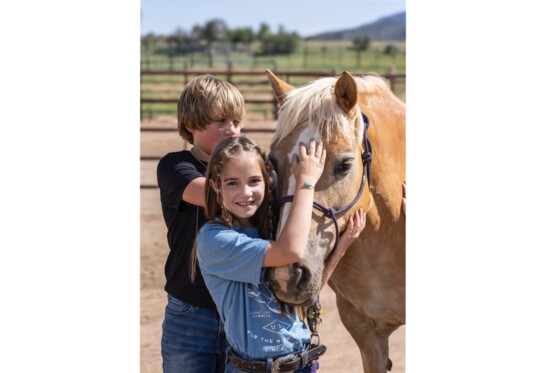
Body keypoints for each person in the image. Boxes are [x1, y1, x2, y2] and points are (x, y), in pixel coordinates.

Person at [194, 135, 366, 373]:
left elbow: (305, 295)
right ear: (216, 186)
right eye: (232, 183)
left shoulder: (276, 230)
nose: (245, 192)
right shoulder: (215, 240)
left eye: (254, 181)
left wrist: (342, 246)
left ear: (267, 181)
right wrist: (306, 182)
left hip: (301, 364)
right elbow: (291, 250)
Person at [156, 74, 245, 373]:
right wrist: (258, 182)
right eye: (220, 120)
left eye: (236, 120)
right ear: (191, 124)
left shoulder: (254, 175)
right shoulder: (175, 166)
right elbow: (213, 195)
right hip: (190, 313)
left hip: (242, 311)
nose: (232, 128)